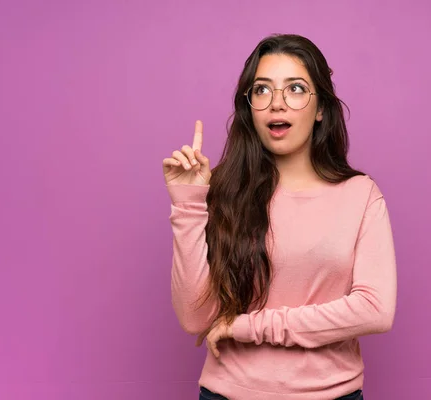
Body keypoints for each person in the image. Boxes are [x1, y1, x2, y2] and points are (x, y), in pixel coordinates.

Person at [162, 34, 397, 400]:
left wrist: (251, 327)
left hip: (332, 394)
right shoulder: (222, 190)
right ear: (249, 106)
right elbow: (195, 318)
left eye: (296, 89)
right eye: (262, 90)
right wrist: (188, 203)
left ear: (321, 108)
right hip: (228, 393)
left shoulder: (360, 194)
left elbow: (375, 310)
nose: (277, 105)